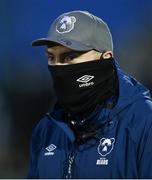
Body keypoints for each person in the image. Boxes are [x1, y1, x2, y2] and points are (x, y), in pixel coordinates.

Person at [27, 10, 152, 179]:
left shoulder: (143, 121)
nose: (57, 67)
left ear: (105, 58)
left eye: (70, 56)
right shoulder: (47, 129)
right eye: (51, 57)